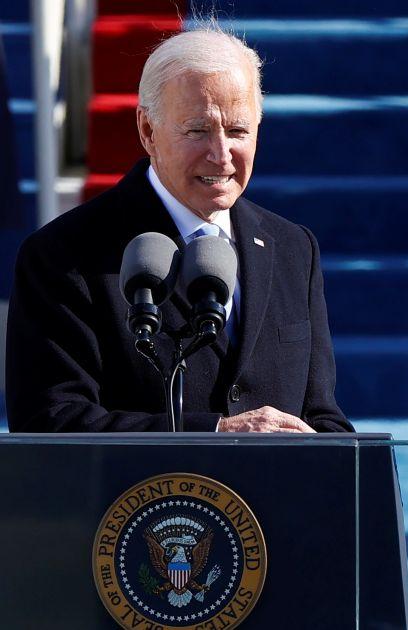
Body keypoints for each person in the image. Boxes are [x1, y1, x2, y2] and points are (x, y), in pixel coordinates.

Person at [4, 27, 351, 433]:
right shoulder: (63, 256)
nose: (221, 155)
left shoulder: (293, 248)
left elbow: (323, 417)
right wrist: (215, 432)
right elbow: (52, 422)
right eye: (197, 130)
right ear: (148, 131)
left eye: (238, 131)